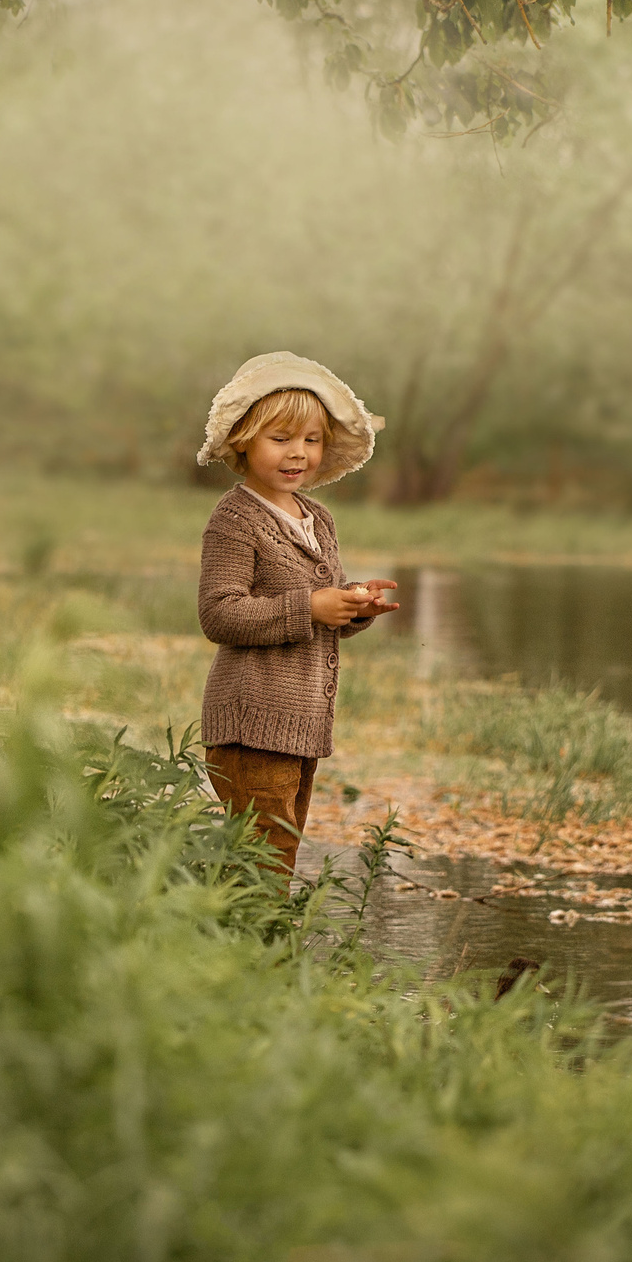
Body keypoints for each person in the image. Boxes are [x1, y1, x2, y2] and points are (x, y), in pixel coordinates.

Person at [193, 352, 397, 888]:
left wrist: (355, 607)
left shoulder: (317, 518)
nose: (298, 453)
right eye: (280, 439)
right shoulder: (235, 519)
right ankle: (249, 960)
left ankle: (257, 959)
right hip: (251, 726)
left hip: (299, 729)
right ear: (244, 441)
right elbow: (219, 613)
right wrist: (308, 606)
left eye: (310, 439)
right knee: (260, 866)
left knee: (276, 861)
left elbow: (325, 611)